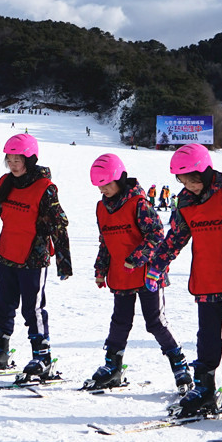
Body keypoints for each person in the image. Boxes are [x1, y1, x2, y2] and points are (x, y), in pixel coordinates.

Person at [132, 143, 222, 418]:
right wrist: (157, 266)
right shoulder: (185, 201)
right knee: (206, 339)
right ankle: (205, 388)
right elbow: (175, 237)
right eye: (183, 181)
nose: (188, 186)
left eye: (192, 180)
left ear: (204, 172)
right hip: (207, 281)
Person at [0, 134, 73, 381]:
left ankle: (42, 357)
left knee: (33, 309)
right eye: (9, 159)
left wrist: (64, 263)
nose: (13, 164)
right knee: (3, 305)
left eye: (17, 159)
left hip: (34, 257)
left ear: (29, 160)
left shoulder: (45, 188)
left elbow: (59, 226)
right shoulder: (5, 183)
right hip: (7, 253)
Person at [84, 153, 191, 392]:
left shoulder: (139, 203)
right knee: (120, 321)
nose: (103, 189)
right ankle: (112, 366)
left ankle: (180, 365)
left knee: (155, 322)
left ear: (119, 179)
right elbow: (105, 241)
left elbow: (157, 235)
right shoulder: (102, 208)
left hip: (147, 274)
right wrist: (100, 269)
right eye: (99, 186)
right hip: (121, 274)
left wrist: (137, 258)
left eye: (107, 183)